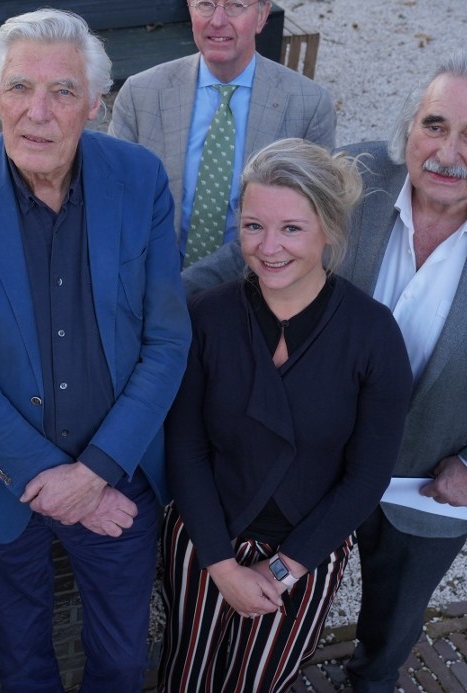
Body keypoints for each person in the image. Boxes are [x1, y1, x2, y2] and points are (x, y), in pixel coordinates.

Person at [0, 8, 191, 692]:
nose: (38, 112)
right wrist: (54, 480)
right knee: (24, 661)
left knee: (122, 662)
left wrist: (95, 473)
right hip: (0, 479)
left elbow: (165, 341)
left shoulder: (139, 179)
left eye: (63, 91)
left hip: (117, 474)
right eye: (20, 87)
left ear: (94, 104)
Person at [182, 52, 467, 691]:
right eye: (435, 125)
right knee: (276, 618)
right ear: (409, 126)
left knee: (391, 630)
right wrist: (157, 311)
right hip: (306, 462)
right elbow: (254, 249)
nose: (448, 153)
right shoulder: (355, 176)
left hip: (425, 479)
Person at [161, 139, 413, 691]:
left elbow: (367, 475)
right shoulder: (207, 317)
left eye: (291, 228)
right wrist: (222, 566)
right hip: (205, 540)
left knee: (261, 682)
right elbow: (185, 448)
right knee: (187, 674)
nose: (268, 247)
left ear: (329, 228)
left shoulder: (373, 335)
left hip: (304, 555)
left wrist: (281, 570)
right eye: (253, 226)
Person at [108, 0, 336, 267]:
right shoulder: (141, 95)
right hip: (153, 273)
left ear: (262, 15)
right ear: (190, 9)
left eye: (236, 5)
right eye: (206, 3)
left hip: (258, 278)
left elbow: (317, 223)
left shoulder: (308, 106)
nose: (217, 20)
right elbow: (113, 201)